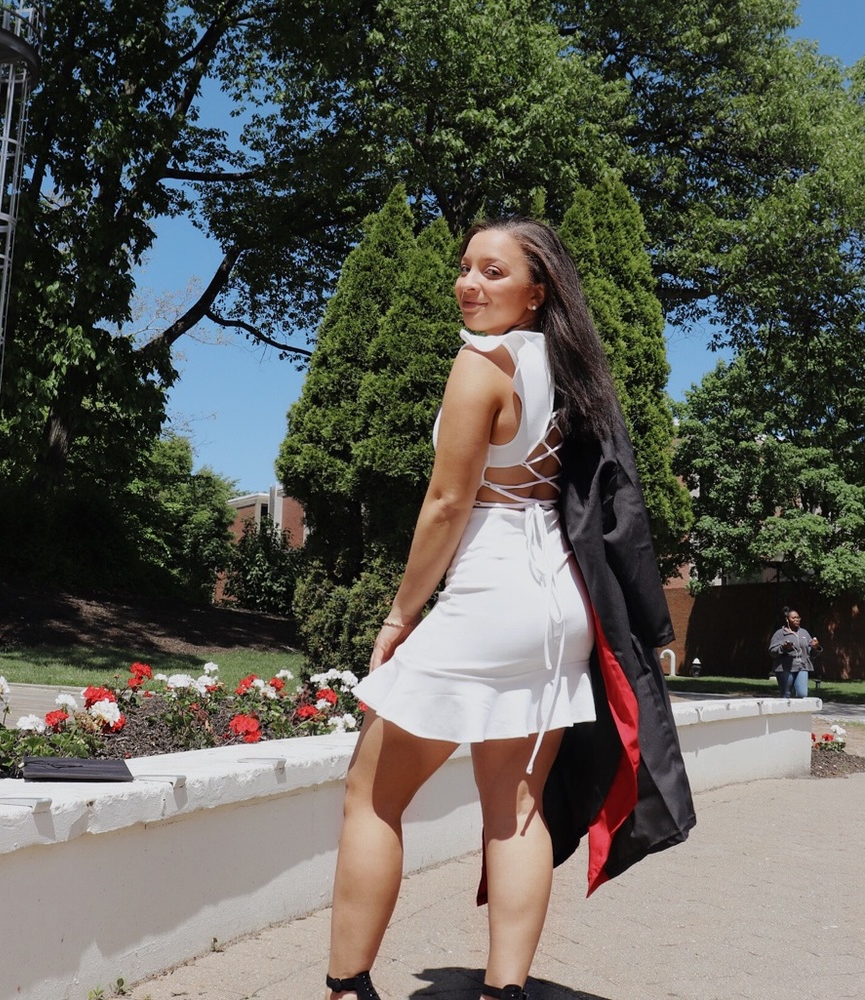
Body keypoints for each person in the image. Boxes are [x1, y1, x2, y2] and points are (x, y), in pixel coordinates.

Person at [323, 217, 695, 1000]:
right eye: (466, 267)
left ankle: (345, 987)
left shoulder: (482, 363)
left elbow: (447, 503)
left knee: (372, 793)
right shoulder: (570, 370)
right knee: (516, 804)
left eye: (494, 271)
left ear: (537, 292)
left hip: (492, 595)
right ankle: (504, 991)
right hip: (559, 603)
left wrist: (399, 615)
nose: (470, 283)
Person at [769, 608, 822, 698]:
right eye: (793, 618)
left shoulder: (804, 633)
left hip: (802, 666)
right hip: (785, 668)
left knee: (802, 694)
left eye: (798, 617)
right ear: (787, 619)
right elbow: (772, 651)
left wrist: (815, 647)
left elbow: (811, 654)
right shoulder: (780, 634)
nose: (797, 620)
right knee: (786, 694)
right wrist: (783, 648)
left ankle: (797, 705)